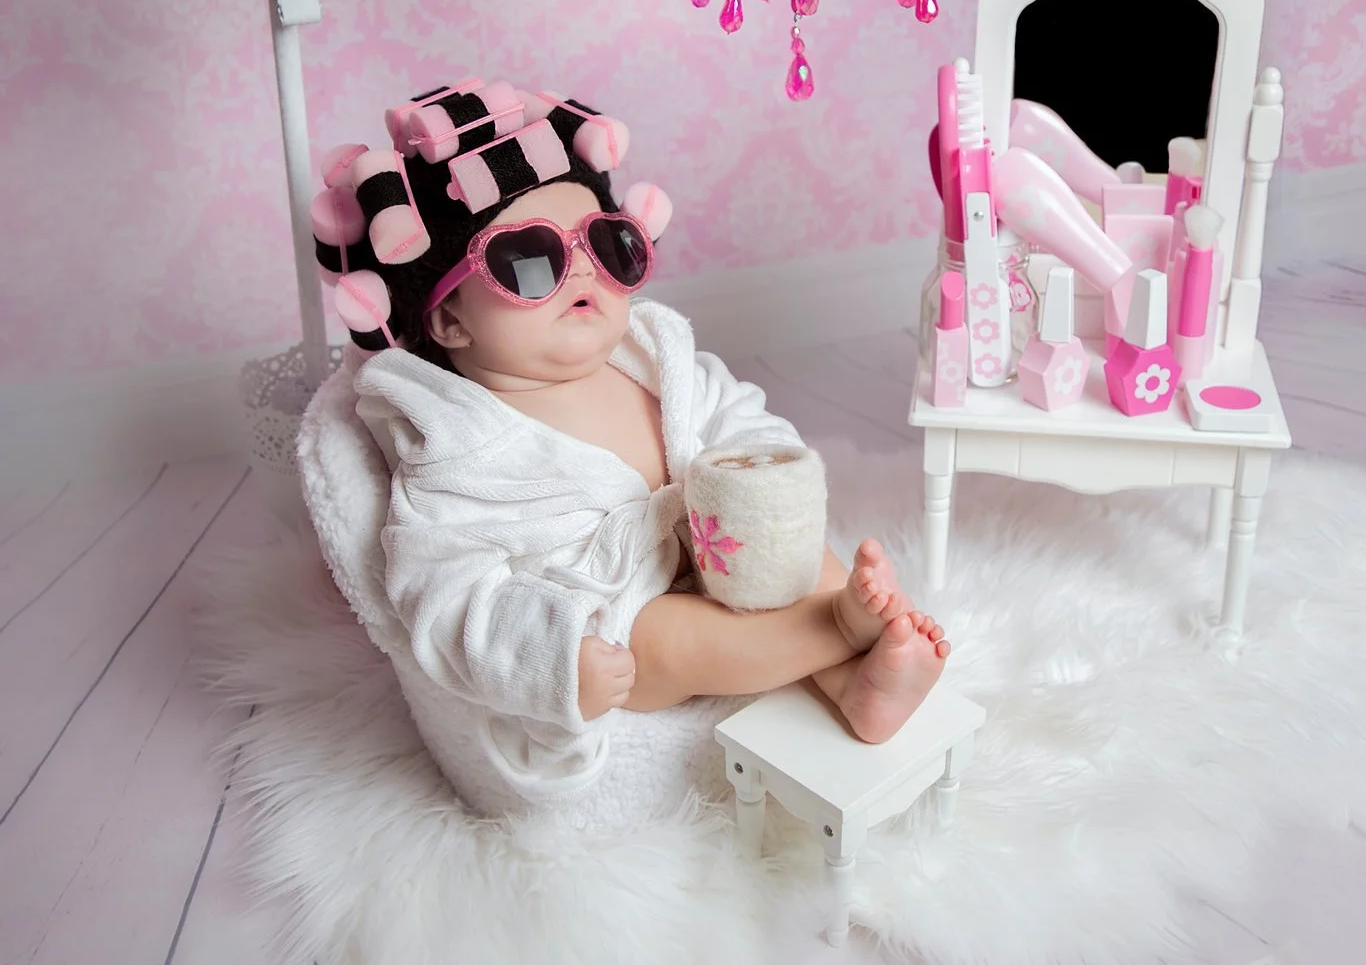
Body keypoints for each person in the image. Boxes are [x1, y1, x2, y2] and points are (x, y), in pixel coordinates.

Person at [328, 80, 952, 815]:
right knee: (669, 643)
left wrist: (762, 478)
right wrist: (555, 660)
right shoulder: (455, 446)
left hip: (711, 534)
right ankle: (832, 631)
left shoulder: (654, 355)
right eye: (529, 261)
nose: (585, 269)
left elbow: (736, 415)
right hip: (617, 605)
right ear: (450, 323)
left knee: (798, 558)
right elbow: (445, 596)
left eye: (605, 244)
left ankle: (857, 686)